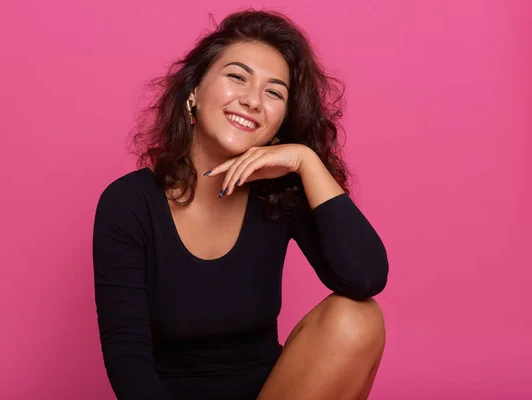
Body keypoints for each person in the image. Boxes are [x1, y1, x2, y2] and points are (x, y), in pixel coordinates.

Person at [92, 9, 389, 400]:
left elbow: (365, 279)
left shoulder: (278, 195)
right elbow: (127, 358)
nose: (252, 101)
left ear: (280, 121)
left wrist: (306, 162)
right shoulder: (128, 203)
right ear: (193, 93)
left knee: (359, 318)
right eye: (237, 77)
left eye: (274, 92)